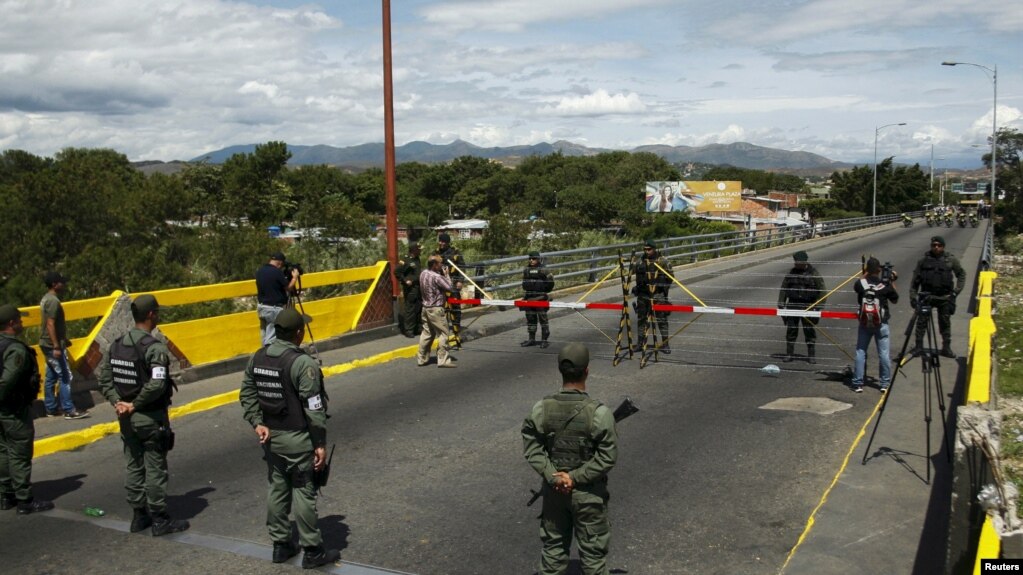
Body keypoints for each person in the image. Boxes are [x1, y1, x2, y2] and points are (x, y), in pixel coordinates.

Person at [239, 308, 340, 568]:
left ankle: (280, 545)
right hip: (297, 438)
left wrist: (256, 422)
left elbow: (247, 392)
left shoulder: (258, 357)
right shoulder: (302, 363)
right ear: (298, 333)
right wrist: (319, 444)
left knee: (277, 489)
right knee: (304, 491)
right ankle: (312, 550)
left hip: (272, 437)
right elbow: (314, 409)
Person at [521, 342, 618, 575]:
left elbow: (532, 447)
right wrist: (574, 478)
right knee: (593, 558)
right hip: (588, 494)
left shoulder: (541, 409)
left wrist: (554, 477)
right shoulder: (599, 413)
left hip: (555, 492)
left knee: (553, 552)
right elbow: (607, 457)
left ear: (560, 371)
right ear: (587, 371)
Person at [97, 295, 189, 536]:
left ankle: (139, 516)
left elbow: (105, 378)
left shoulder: (116, 345)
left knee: (134, 464)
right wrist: (134, 405)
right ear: (151, 315)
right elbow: (157, 385)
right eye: (157, 312)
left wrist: (118, 402)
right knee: (155, 465)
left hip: (126, 418)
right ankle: (159, 518)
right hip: (148, 416)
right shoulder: (154, 348)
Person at [0, 304, 54, 515]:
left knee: (3, 449)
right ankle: (24, 499)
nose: (22, 323)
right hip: (13, 409)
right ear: (12, 323)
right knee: (19, 452)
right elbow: (7, 381)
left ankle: (6, 494)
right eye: (19, 321)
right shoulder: (15, 349)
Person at [39, 271, 88, 419]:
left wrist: (62, 339)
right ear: (54, 284)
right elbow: (50, 323)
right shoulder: (53, 301)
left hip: (46, 343)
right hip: (52, 345)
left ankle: (51, 408)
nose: (64, 285)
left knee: (51, 376)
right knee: (66, 376)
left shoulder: (46, 299)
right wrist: (56, 346)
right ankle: (69, 409)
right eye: (61, 282)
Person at [909, 236, 966, 358]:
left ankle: (946, 347)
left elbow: (961, 274)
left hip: (944, 298)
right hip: (926, 297)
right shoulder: (923, 261)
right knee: (921, 323)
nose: (936, 247)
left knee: (945, 323)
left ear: (943, 246)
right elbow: (915, 281)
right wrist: (913, 297)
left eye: (939, 245)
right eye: (934, 245)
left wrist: (956, 292)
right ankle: (918, 346)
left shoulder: (950, 260)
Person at [851, 258, 899, 393]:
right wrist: (892, 280)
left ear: (867, 270)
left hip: (865, 323)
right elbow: (895, 299)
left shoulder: (861, 284)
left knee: (860, 352)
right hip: (881, 323)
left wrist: (866, 272)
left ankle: (858, 382)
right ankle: (884, 383)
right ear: (879, 270)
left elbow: (858, 283)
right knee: (883, 353)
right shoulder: (884, 286)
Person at [778, 251, 827, 363]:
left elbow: (822, 291)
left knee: (809, 330)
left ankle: (811, 355)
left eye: (798, 262)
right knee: (791, 330)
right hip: (793, 305)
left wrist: (818, 306)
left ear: (804, 262)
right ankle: (789, 354)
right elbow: (784, 289)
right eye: (795, 262)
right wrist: (781, 303)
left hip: (808, 305)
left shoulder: (814, 274)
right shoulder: (791, 274)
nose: (796, 264)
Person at [632, 240, 673, 353]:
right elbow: (633, 272)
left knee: (661, 320)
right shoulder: (640, 261)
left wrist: (661, 288)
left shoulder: (662, 261)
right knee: (641, 320)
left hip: (657, 295)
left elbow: (670, 277)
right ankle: (640, 343)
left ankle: (665, 344)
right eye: (645, 249)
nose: (646, 251)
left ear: (654, 249)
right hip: (643, 295)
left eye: (649, 249)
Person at [417, 255, 457, 368]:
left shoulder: (423, 273)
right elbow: (449, 287)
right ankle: (443, 359)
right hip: (436, 309)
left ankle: (421, 358)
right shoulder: (437, 277)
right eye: (440, 263)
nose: (441, 265)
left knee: (427, 333)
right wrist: (447, 275)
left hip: (425, 308)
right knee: (444, 333)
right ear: (434, 265)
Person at [256, 252, 300, 346]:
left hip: (262, 307)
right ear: (280, 263)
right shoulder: (276, 272)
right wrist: (295, 277)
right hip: (274, 309)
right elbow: (288, 287)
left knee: (264, 336)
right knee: (271, 339)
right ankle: (270, 358)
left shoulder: (260, 271)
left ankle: (262, 356)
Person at [435, 233, 465, 347]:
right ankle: (443, 339)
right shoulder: (436, 253)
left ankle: (457, 336)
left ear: (447, 243)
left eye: (443, 242)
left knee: (456, 311)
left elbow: (462, 267)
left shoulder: (455, 253)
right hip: (440, 287)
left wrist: (460, 281)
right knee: (441, 313)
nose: (441, 243)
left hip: (453, 286)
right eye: (440, 241)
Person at [521, 251, 555, 349]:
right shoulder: (526, 270)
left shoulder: (544, 269)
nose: (531, 260)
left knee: (543, 320)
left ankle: (544, 340)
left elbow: (551, 283)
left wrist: (543, 292)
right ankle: (531, 339)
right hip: (529, 298)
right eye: (530, 259)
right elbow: (524, 283)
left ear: (538, 259)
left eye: (534, 258)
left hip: (540, 299)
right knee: (531, 319)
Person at [396, 242, 423, 338]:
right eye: (419, 249)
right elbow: (397, 272)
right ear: (414, 250)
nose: (420, 250)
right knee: (410, 309)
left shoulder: (417, 259)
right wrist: (405, 280)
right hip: (410, 288)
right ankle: (409, 330)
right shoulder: (406, 260)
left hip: (418, 287)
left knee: (418, 307)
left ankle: (418, 328)